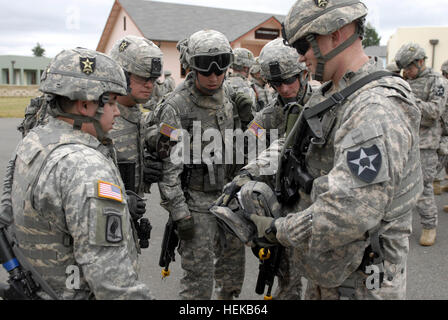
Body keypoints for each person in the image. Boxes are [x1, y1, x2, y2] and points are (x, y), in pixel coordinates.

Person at [217, 0, 422, 300]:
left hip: (361, 279)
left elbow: (348, 212)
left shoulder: (375, 107)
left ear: (336, 33)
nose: (301, 59)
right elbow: (290, 145)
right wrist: (248, 175)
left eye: (303, 46)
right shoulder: (332, 94)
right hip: (328, 266)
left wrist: (278, 229)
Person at [7, 48, 154, 299]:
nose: (117, 112)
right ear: (85, 105)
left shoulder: (35, 141)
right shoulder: (86, 167)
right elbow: (112, 282)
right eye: (110, 102)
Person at [146, 29, 245, 300]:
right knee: (199, 284)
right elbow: (169, 170)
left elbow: (243, 150)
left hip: (230, 201)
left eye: (220, 67)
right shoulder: (176, 106)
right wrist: (180, 213)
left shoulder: (231, 98)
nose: (213, 76)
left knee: (232, 278)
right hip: (196, 206)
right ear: (191, 65)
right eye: (205, 68)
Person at [395, 43, 448, 246]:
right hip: (405, 140)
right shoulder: (405, 81)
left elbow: (434, 112)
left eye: (409, 67)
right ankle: (400, 225)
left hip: (425, 145)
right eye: (405, 68)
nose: (407, 72)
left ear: (420, 61)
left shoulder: (438, 82)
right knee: (400, 186)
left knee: (423, 188)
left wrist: (408, 102)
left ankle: (429, 226)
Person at [108, 35, 163, 197]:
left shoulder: (137, 116)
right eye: (142, 77)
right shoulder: (101, 119)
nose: (149, 85)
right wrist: (121, 198)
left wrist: (144, 166)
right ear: (121, 73)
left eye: (153, 79)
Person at [247, 38, 313, 145]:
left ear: (304, 74)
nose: (284, 89)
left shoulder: (324, 104)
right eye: (276, 83)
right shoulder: (267, 117)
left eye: (289, 80)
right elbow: (248, 139)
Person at [225, 47, 257, 130]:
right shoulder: (246, 87)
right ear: (246, 68)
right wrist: (262, 136)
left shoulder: (224, 84)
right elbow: (251, 119)